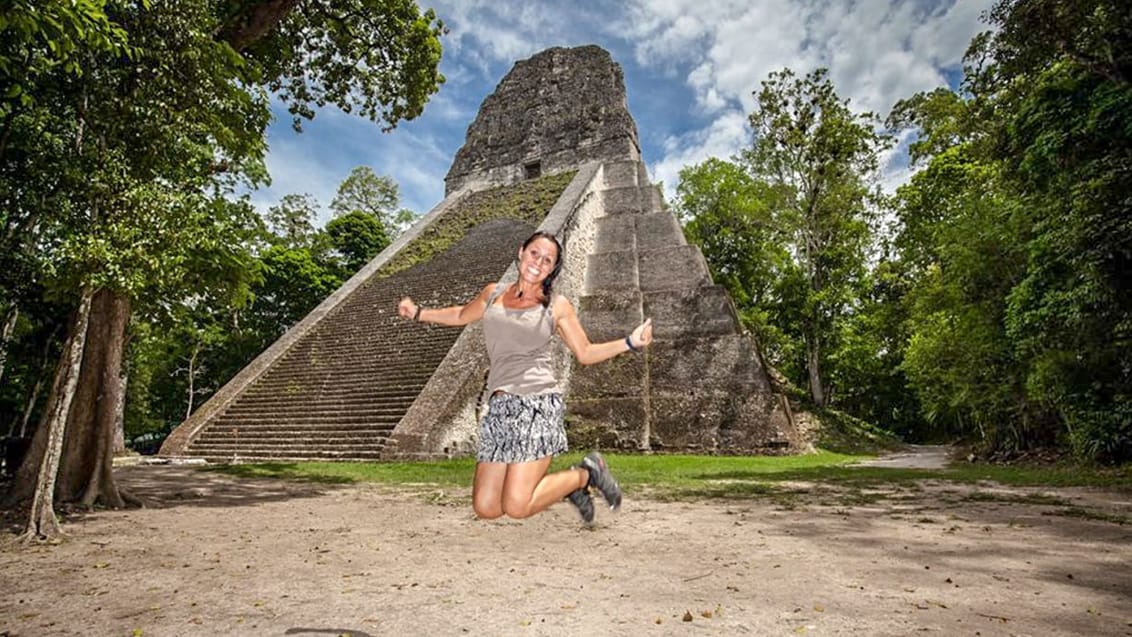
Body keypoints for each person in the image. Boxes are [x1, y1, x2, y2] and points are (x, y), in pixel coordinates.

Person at [398, 231, 653, 524]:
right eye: (535, 253)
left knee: (517, 505)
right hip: (499, 409)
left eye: (547, 260)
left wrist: (630, 342)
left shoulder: (556, 306)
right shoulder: (493, 293)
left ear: (552, 268)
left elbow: (584, 352)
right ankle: (575, 482)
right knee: (487, 506)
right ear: (521, 252)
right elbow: (460, 315)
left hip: (537, 403)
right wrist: (418, 313)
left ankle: (585, 475)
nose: (538, 263)